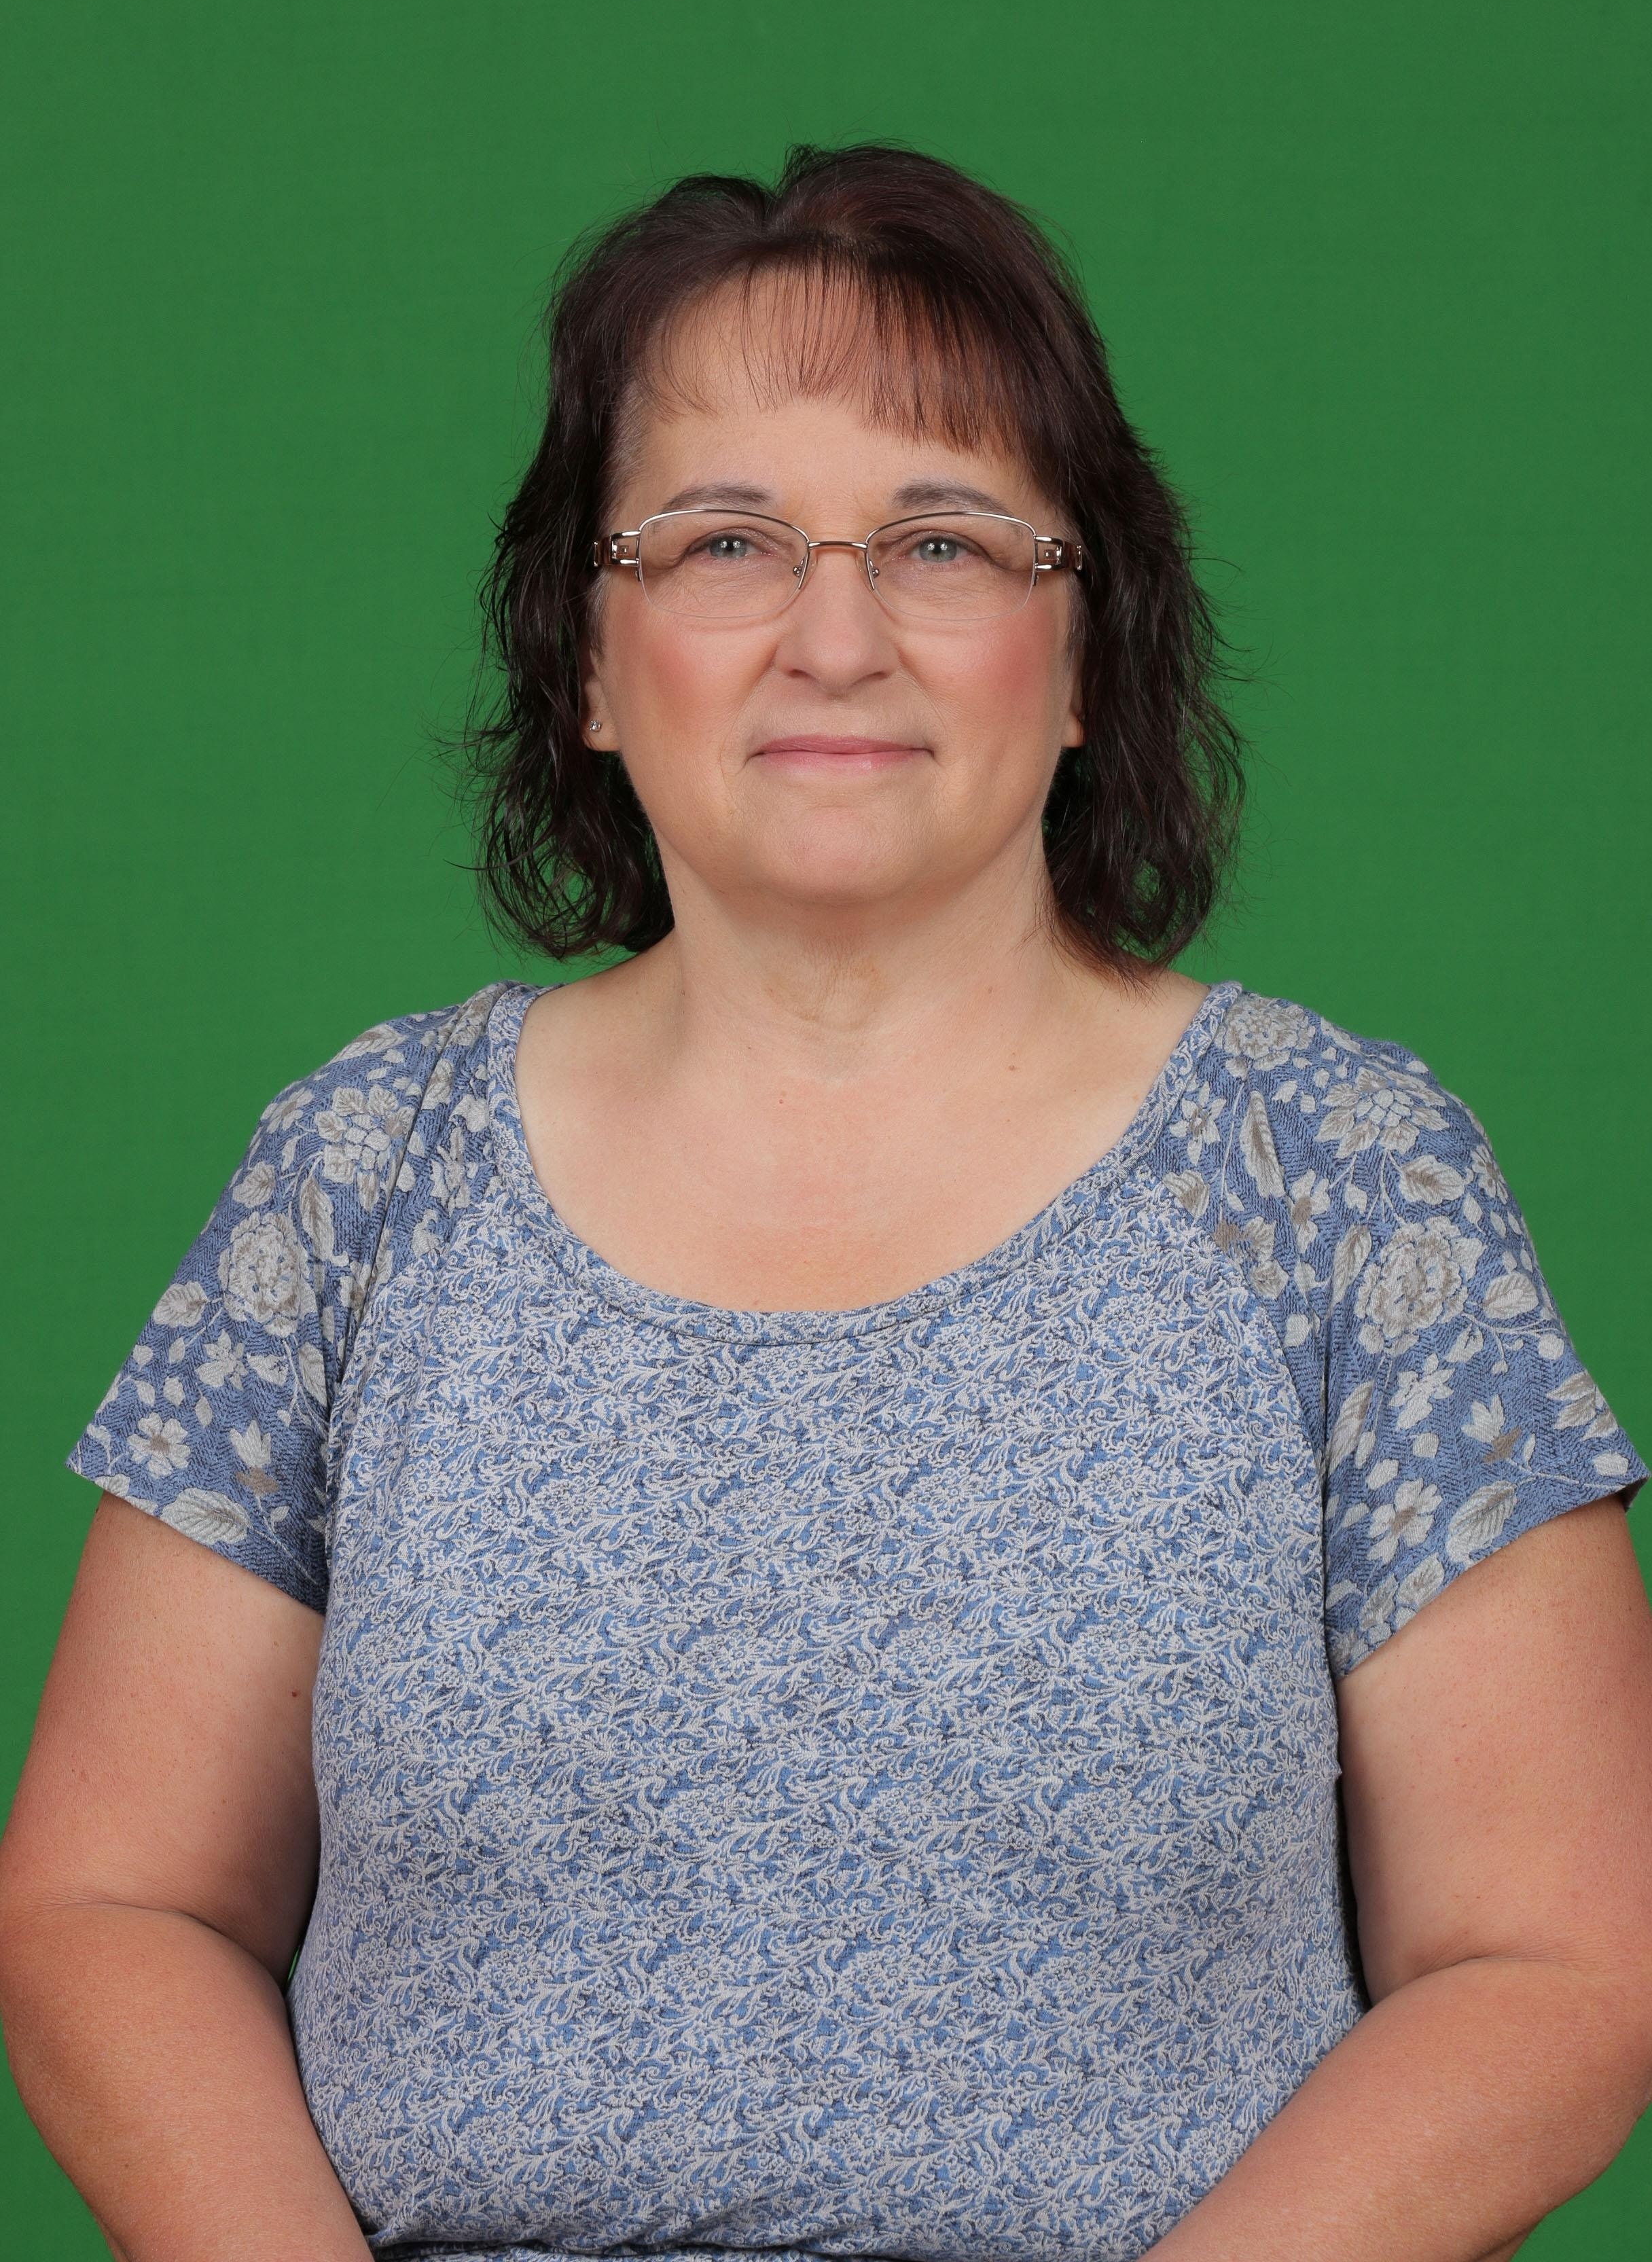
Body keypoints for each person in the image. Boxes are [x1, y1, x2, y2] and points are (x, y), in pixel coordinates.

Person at [1, 145, 1649, 2262]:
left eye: (944, 540)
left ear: (1084, 652)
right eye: (724, 542)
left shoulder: (1344, 1180)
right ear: (590, 664)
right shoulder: (363, 1175)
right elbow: (111, 1902)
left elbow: (1554, 1966)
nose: (837, 636)